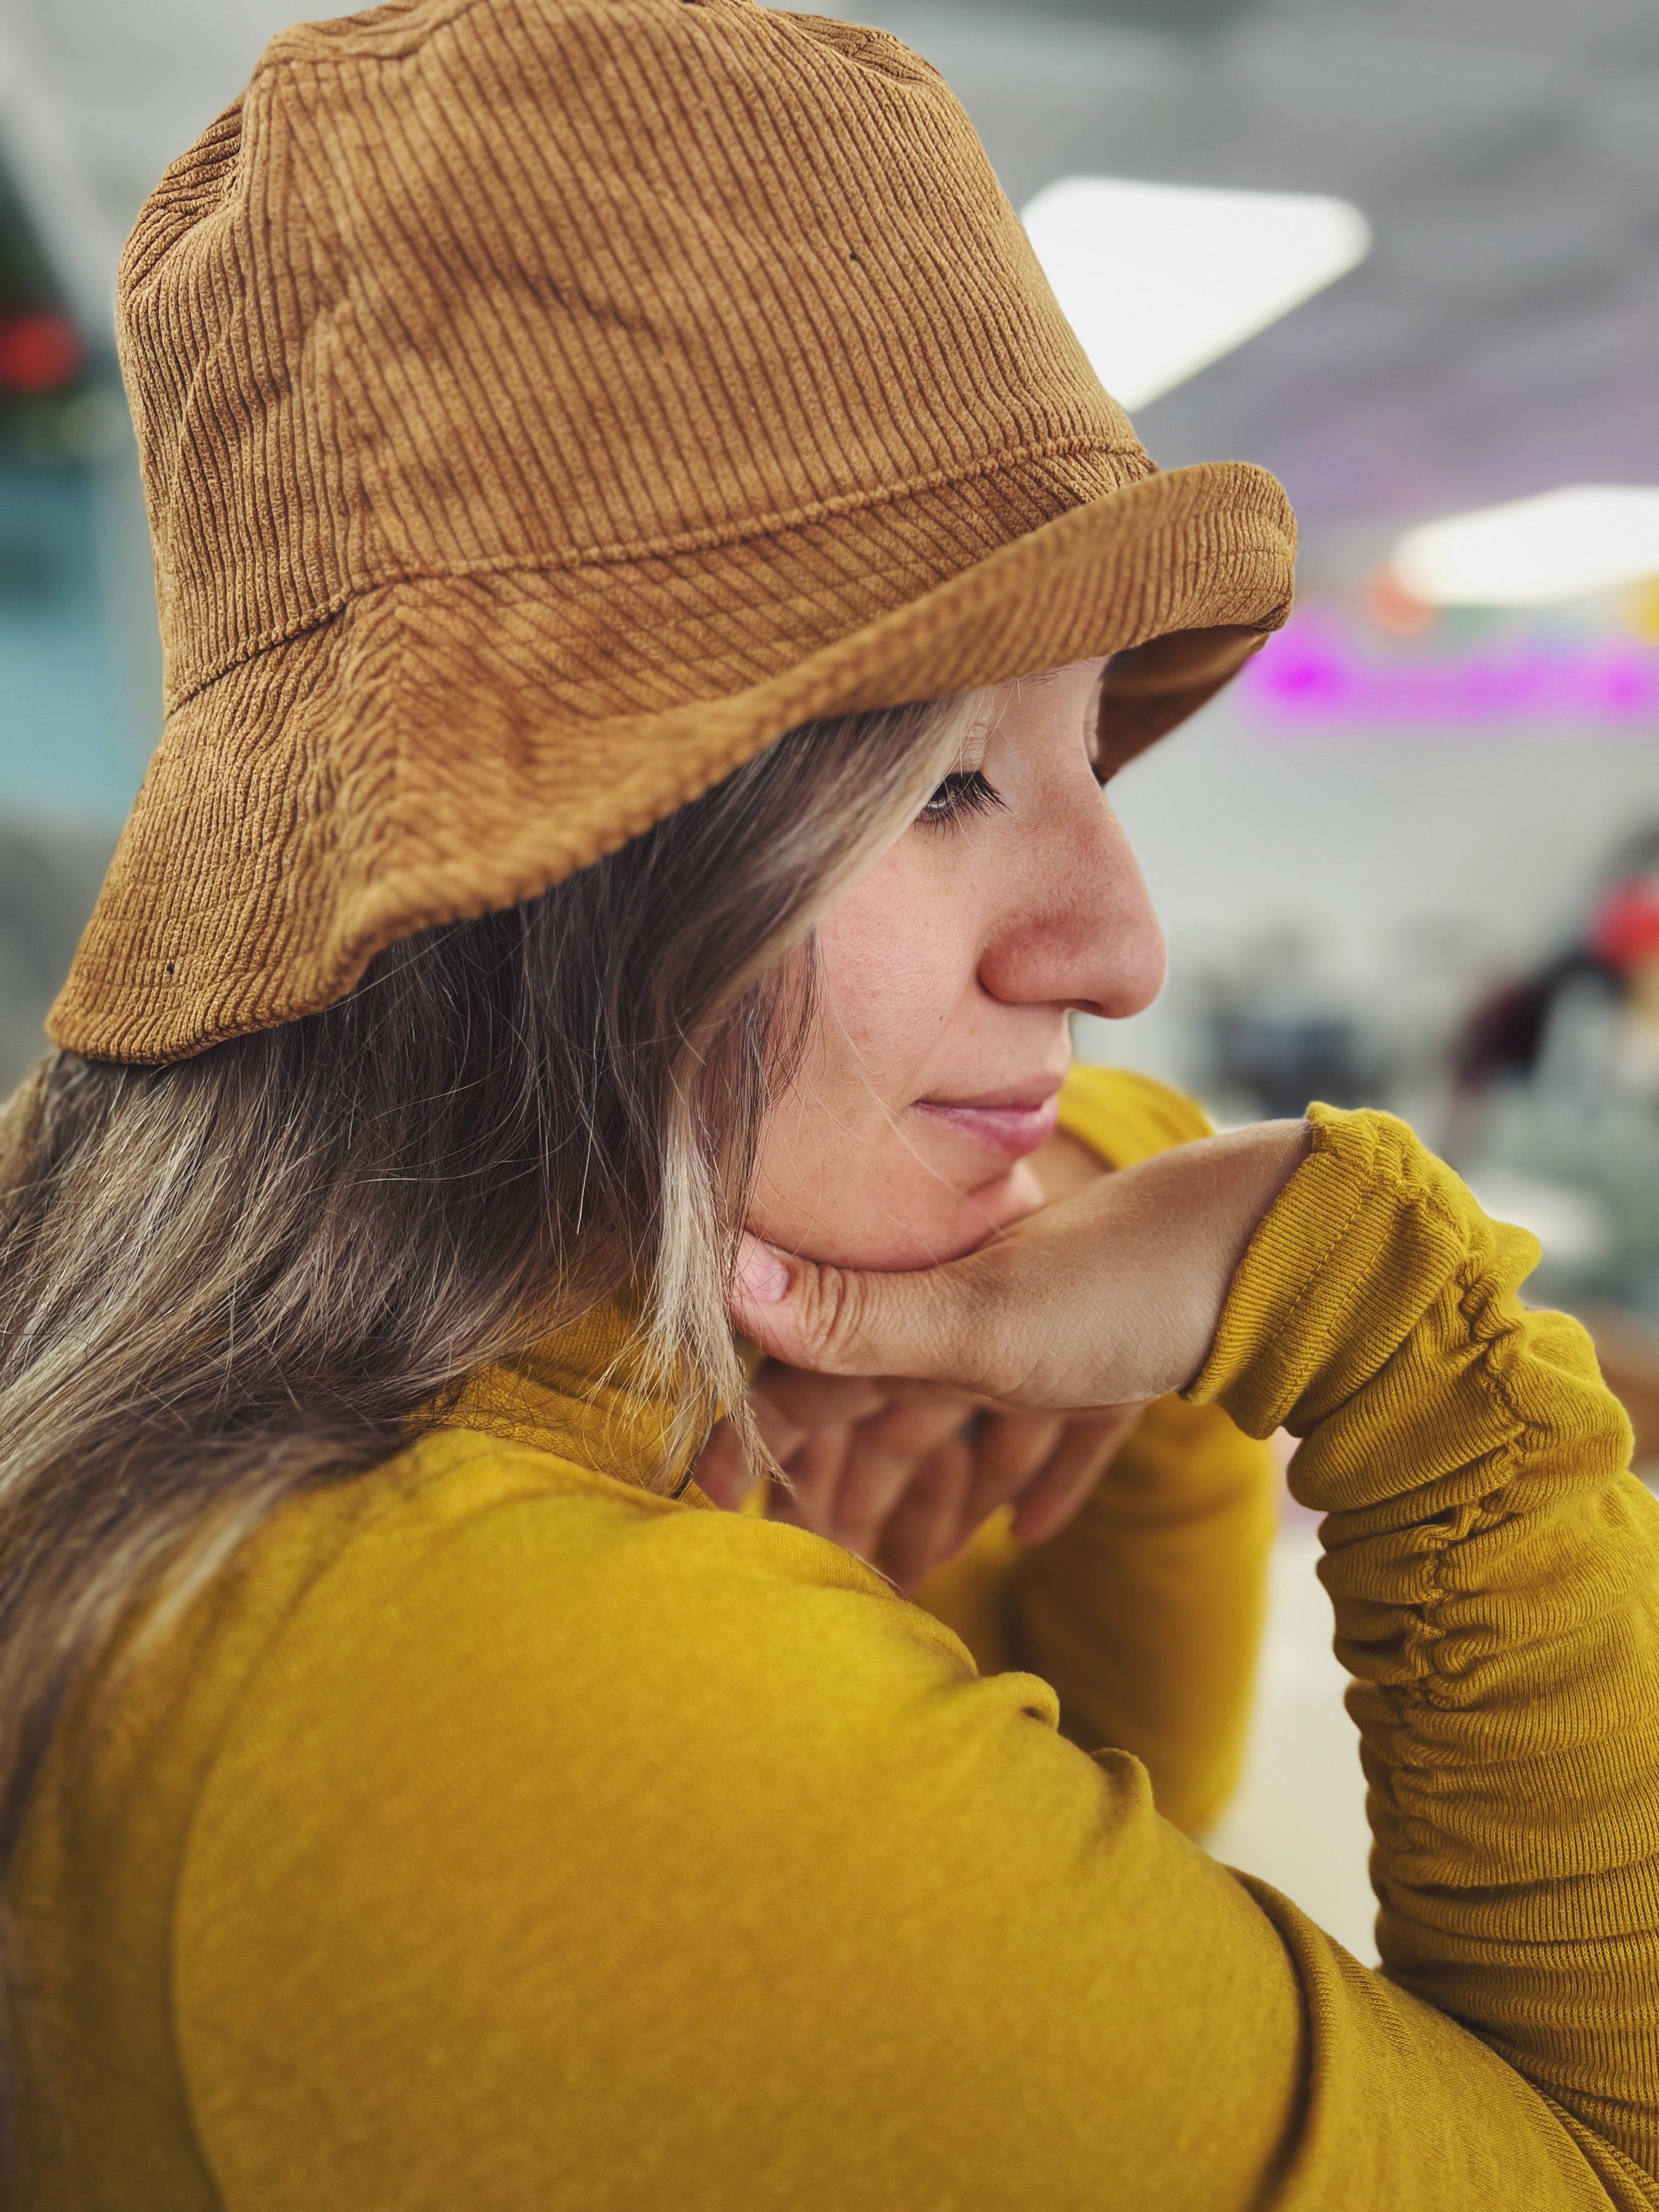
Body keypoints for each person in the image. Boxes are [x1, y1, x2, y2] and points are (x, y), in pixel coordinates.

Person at [1, 1, 1655, 2205]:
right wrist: (1376, 1313)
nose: (1119, 943)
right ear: (553, 871)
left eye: (1090, 755)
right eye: (945, 777)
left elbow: (1082, 1865)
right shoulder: (567, 1723)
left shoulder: (270, 1402)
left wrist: (1120, 1213)